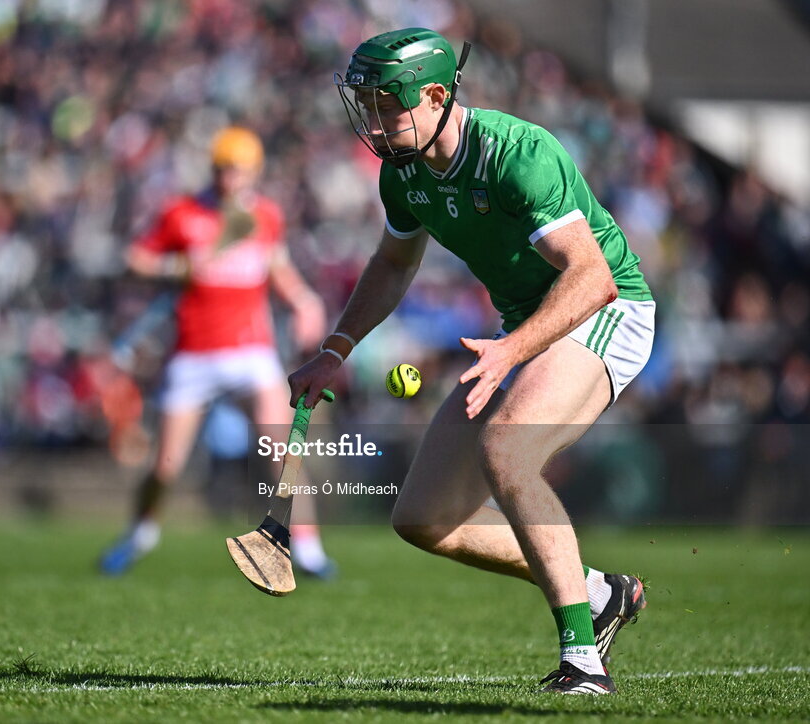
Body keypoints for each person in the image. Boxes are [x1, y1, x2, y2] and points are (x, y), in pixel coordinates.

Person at [288, 28, 655, 694]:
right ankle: (600, 594)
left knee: (506, 454)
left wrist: (513, 348)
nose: (372, 120)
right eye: (364, 104)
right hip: (524, 330)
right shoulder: (403, 172)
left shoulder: (518, 155)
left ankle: (583, 662)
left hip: (607, 312)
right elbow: (394, 263)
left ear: (434, 96)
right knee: (423, 518)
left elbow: (591, 277)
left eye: (384, 104)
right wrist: (333, 352)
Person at [100, 126, 337, 579]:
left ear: (254, 172)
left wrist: (305, 301)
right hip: (195, 354)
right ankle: (139, 533)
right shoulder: (182, 213)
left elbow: (278, 268)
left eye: (240, 171)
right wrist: (180, 265)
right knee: (166, 465)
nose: (231, 179)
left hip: (252, 351)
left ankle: (308, 549)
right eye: (224, 170)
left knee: (282, 451)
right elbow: (135, 258)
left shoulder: (266, 216)